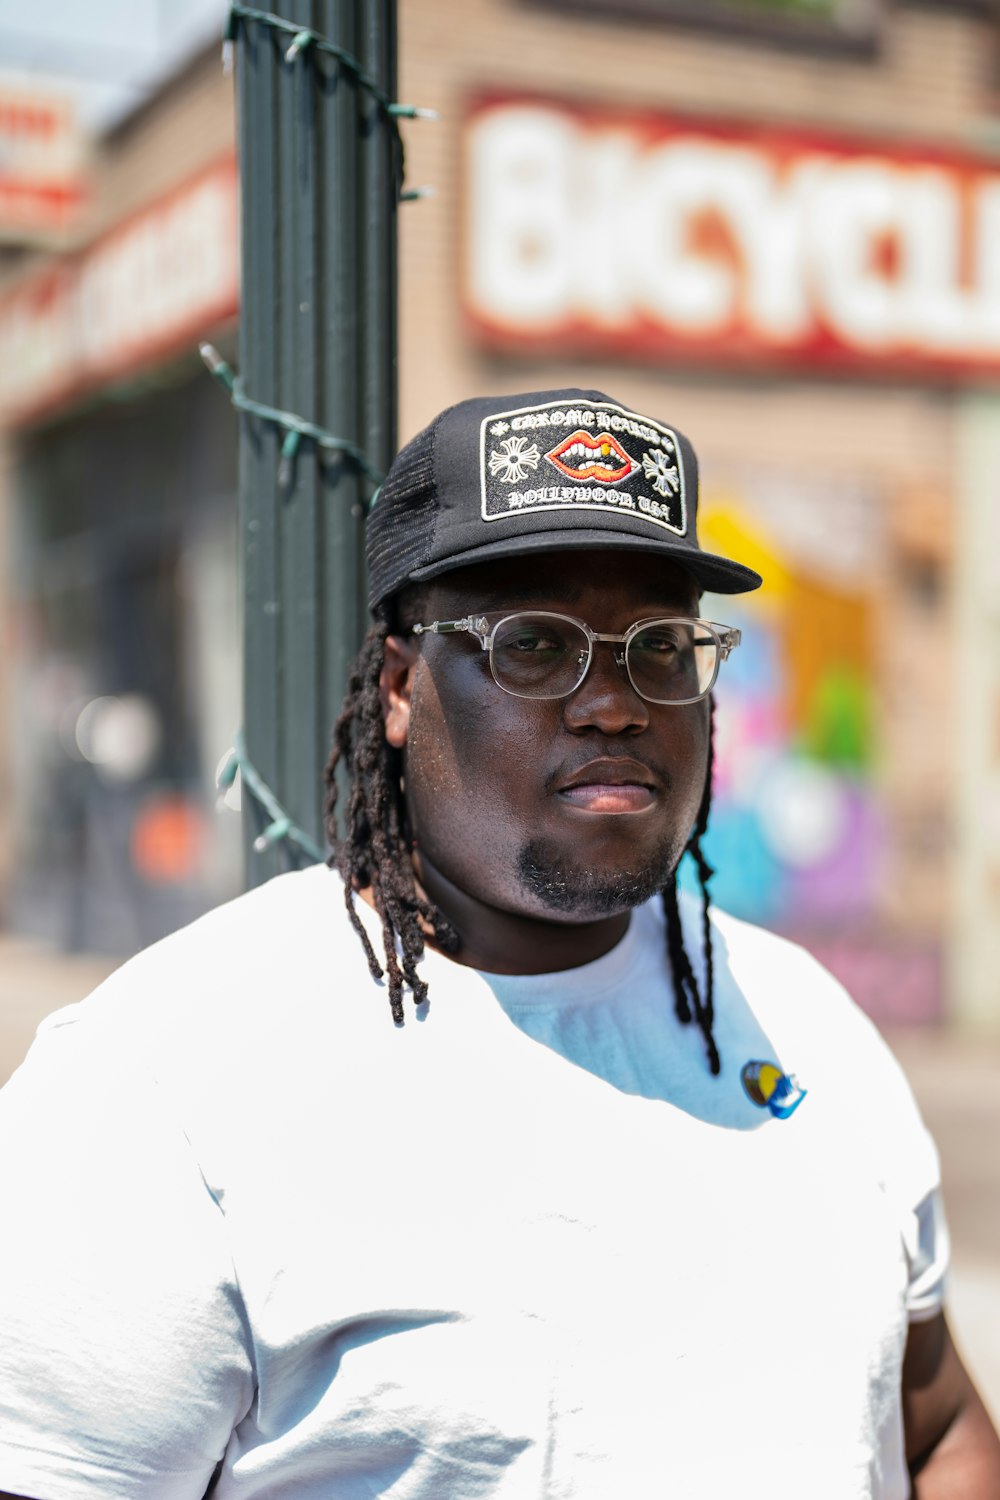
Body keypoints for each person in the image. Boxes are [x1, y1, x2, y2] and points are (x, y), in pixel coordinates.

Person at [0, 388, 997, 1499]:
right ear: (398, 688)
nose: (613, 702)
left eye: (660, 647)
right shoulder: (166, 1076)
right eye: (533, 645)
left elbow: (938, 1425)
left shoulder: (804, 1018)